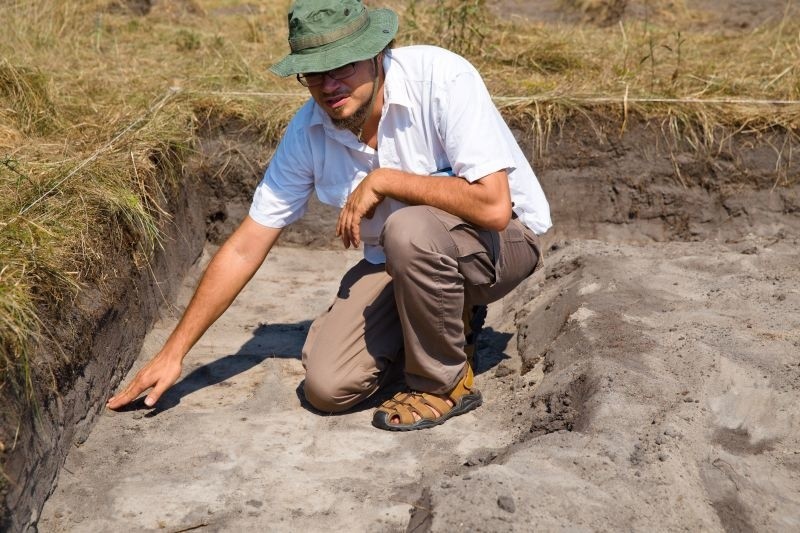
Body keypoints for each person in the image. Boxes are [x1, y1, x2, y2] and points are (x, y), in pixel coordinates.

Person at [107, 0, 551, 431]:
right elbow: (245, 246)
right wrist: (174, 352)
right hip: (402, 262)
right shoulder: (308, 130)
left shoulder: (442, 77)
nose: (329, 85)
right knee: (327, 386)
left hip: (502, 244)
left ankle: (444, 384)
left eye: (342, 67)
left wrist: (387, 180)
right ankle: (441, 321)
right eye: (314, 73)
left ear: (377, 54)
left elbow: (494, 208)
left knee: (407, 227)